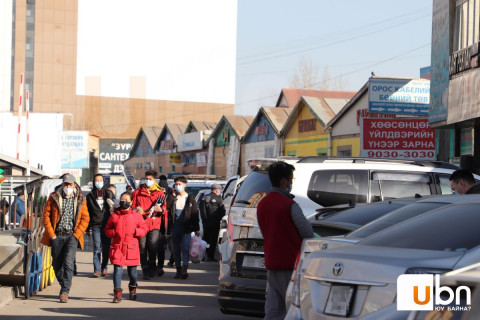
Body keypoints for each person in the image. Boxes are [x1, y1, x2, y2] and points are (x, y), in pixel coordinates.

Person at [256, 161, 314, 320]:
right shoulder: (289, 205)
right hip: (290, 264)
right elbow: (308, 232)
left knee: (274, 309)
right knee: (293, 308)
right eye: (290, 179)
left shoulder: (262, 204)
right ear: (283, 181)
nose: (291, 183)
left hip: (271, 263)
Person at [41, 173, 90, 303]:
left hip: (72, 236)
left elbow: (85, 219)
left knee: (69, 263)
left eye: (70, 184)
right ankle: (64, 283)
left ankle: (64, 291)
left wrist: (76, 235)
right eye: (65, 184)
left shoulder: (80, 198)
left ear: (74, 185)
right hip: (57, 235)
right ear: (62, 184)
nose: (67, 186)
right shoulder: (54, 197)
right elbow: (46, 216)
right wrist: (52, 235)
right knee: (56, 264)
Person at [105, 192, 148, 303]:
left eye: (126, 200)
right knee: (117, 271)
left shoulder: (136, 215)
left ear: (131, 202)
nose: (123, 201)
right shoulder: (114, 215)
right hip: (118, 247)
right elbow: (107, 229)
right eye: (122, 199)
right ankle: (117, 294)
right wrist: (113, 233)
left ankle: (132, 289)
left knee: (133, 274)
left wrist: (136, 231)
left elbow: (144, 229)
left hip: (131, 248)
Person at [132, 170, 167, 280]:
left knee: (153, 245)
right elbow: (132, 207)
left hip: (154, 223)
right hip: (141, 224)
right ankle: (145, 268)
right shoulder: (137, 192)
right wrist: (137, 210)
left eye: (150, 179)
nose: (148, 181)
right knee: (142, 246)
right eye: (146, 179)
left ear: (155, 180)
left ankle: (152, 264)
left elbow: (164, 210)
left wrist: (160, 209)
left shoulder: (160, 193)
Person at [167, 176, 200, 279]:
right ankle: (178, 269)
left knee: (185, 248)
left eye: (179, 184)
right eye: (176, 184)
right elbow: (167, 209)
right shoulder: (173, 197)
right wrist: (172, 196)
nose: (177, 186)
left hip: (186, 227)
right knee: (176, 249)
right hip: (175, 227)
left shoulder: (190, 198)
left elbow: (195, 214)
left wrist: (196, 228)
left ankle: (185, 268)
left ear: (184, 185)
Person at [86, 174, 114, 277]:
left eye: (100, 180)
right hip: (95, 224)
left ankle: (104, 267)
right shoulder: (90, 196)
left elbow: (114, 208)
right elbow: (88, 212)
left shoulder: (108, 193)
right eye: (96, 180)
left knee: (106, 247)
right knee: (97, 247)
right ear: (94, 182)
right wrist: (88, 228)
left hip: (107, 224)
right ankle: (97, 269)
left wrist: (111, 205)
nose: (99, 182)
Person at [199, 184, 225, 261]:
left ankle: (203, 254)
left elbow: (201, 210)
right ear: (217, 190)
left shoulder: (204, 197)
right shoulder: (218, 199)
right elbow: (222, 211)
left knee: (205, 239)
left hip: (206, 222)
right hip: (215, 222)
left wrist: (204, 220)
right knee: (212, 240)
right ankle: (210, 256)